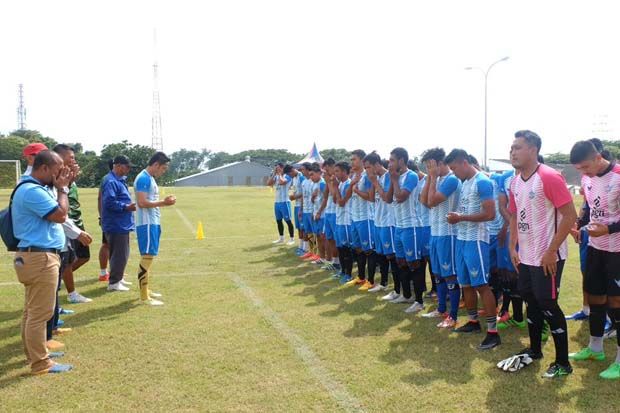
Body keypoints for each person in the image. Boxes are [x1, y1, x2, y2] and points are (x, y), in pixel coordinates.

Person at [497, 130, 576, 379]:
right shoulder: (514, 181)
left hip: (548, 257)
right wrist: (512, 247)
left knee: (548, 304)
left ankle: (563, 362)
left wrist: (552, 251)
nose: (513, 152)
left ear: (533, 150)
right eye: (511, 148)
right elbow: (515, 216)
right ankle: (534, 350)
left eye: (518, 147)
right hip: (527, 256)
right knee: (531, 300)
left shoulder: (549, 177)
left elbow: (571, 216)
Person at [12, 150, 74, 374]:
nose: (60, 176)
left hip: (34, 256)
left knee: (32, 312)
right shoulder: (32, 191)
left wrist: (60, 187)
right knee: (40, 313)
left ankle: (34, 353)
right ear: (44, 168)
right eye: (57, 171)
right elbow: (60, 215)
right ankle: (40, 363)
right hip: (39, 257)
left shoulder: (33, 188)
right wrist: (63, 189)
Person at [567, 140, 620, 380]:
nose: (582, 173)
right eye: (579, 169)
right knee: (595, 297)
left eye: (585, 167)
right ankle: (595, 348)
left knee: (616, 303)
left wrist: (608, 231)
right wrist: (579, 224)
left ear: (598, 157)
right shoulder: (587, 179)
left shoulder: (618, 177)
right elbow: (589, 206)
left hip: (617, 250)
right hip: (596, 247)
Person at [445, 149, 500, 350]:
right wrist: (458, 215)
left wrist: (461, 218)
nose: (453, 173)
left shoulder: (482, 182)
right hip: (462, 238)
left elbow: (490, 214)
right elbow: (469, 210)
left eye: (454, 168)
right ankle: (473, 322)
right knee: (465, 284)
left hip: (476, 240)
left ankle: (493, 332)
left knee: (482, 285)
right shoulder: (464, 183)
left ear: (464, 162)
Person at [419, 148, 462, 328]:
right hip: (435, 233)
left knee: (450, 275)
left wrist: (433, 178)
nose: (428, 168)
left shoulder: (451, 179)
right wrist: (431, 178)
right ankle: (441, 308)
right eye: (426, 165)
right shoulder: (435, 179)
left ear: (440, 163)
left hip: (448, 234)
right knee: (437, 273)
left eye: (431, 165)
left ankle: (453, 315)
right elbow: (423, 200)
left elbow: (432, 201)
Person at [134, 152, 176, 306]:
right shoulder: (144, 178)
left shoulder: (149, 178)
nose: (163, 171)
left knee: (149, 257)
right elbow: (142, 203)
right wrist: (164, 203)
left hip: (152, 222)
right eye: (163, 168)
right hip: (147, 223)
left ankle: (146, 291)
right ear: (156, 165)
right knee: (147, 257)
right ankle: (144, 297)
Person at [52, 144, 93, 304]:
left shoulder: (66, 177)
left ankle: (60, 288)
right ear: (59, 158)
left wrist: (71, 180)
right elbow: (60, 207)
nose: (74, 161)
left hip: (71, 222)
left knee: (74, 259)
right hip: (62, 226)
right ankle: (67, 292)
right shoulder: (54, 180)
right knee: (66, 261)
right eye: (71, 157)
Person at [386, 148, 424, 308]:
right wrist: (392, 179)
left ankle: (419, 301)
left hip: (411, 226)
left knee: (414, 262)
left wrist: (394, 180)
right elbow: (388, 199)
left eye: (392, 160)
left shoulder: (411, 176)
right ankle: (406, 294)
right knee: (400, 261)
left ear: (401, 161)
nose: (389, 164)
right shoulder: (394, 176)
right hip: (399, 226)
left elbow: (401, 197)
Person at [101, 155, 136, 292]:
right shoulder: (111, 181)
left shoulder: (119, 180)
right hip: (116, 224)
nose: (128, 169)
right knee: (119, 254)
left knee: (121, 253)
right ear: (119, 166)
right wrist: (126, 207)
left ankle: (118, 278)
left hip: (122, 223)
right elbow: (109, 202)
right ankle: (114, 282)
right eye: (127, 166)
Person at [344, 149, 376, 288]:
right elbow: (347, 197)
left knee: (369, 249)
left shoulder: (367, 176)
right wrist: (352, 185)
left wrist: (356, 190)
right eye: (351, 159)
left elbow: (370, 197)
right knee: (358, 248)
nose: (352, 162)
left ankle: (371, 281)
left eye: (354, 159)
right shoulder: (354, 177)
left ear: (362, 161)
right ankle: (361, 277)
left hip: (365, 218)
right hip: (355, 218)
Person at [366, 153, 397, 294]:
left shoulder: (388, 177)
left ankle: (397, 288)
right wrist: (373, 182)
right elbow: (372, 199)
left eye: (368, 167)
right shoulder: (376, 179)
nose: (366, 170)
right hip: (378, 221)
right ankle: (383, 283)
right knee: (380, 254)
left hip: (388, 222)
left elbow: (386, 198)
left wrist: (375, 182)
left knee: (391, 256)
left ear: (376, 164)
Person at [331, 162, 354, 284]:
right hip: (339, 220)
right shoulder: (340, 184)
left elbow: (341, 202)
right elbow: (335, 200)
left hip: (346, 220)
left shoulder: (348, 184)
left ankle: (349, 274)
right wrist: (335, 187)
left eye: (337, 171)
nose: (335, 174)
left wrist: (335, 187)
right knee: (340, 247)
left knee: (346, 249)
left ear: (345, 171)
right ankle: (343, 271)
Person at [267, 163, 295, 245]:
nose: (277, 169)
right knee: (278, 221)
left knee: (288, 221)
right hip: (277, 202)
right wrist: (274, 174)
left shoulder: (287, 176)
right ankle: (281, 238)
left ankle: (292, 238)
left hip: (285, 202)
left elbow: (282, 182)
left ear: (282, 168)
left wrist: (279, 174)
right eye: (276, 168)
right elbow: (269, 183)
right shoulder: (276, 176)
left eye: (278, 168)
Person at [97, 159, 114, 281]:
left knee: (111, 245)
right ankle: (104, 273)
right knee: (107, 244)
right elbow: (100, 198)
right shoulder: (108, 179)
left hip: (111, 218)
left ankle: (114, 271)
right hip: (110, 218)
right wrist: (102, 216)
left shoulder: (111, 179)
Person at [285, 165, 306, 255]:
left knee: (303, 228)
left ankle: (306, 248)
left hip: (303, 205)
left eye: (289, 174)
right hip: (296, 205)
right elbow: (295, 190)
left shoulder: (301, 177)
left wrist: (295, 196)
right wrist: (293, 195)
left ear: (293, 170)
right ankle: (300, 246)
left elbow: (305, 192)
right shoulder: (294, 178)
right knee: (298, 227)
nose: (289, 176)